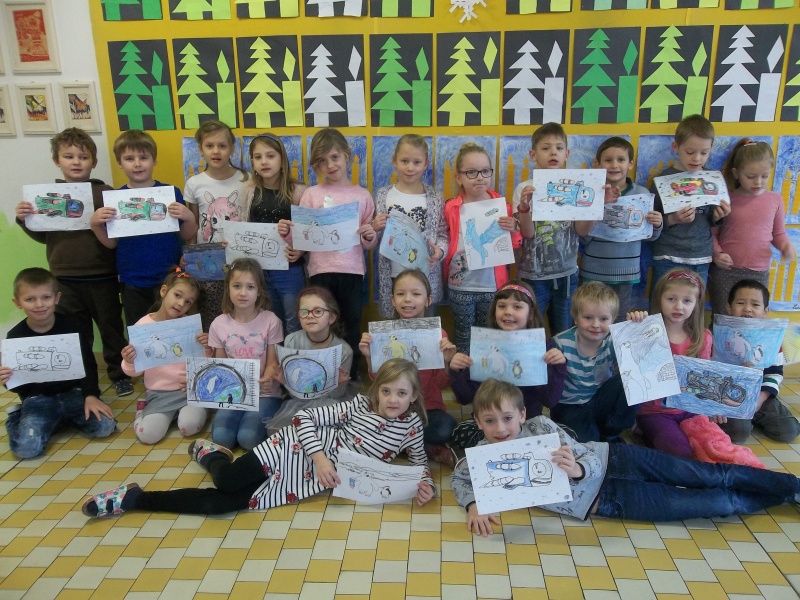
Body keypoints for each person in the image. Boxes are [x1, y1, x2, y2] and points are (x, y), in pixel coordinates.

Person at [81, 359, 435, 517]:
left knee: (219, 504)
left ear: (414, 397)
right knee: (228, 481)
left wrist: (426, 486)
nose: (392, 400)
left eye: (401, 393)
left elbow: (420, 464)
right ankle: (146, 492)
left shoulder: (412, 427)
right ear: (376, 390)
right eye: (386, 391)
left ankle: (145, 493)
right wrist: (320, 457)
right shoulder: (359, 406)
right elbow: (304, 418)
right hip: (292, 450)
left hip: (304, 480)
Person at [451, 379, 800, 536]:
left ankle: (792, 485)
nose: (500, 428)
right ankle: (784, 496)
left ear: (522, 414)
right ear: (477, 421)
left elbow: (577, 450)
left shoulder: (540, 427)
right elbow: (460, 477)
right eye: (490, 421)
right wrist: (473, 505)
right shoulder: (480, 458)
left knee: (712, 475)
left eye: (507, 418)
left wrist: (577, 468)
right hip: (608, 502)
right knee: (718, 503)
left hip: (617, 459)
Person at [14, 128, 132, 397]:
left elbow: (118, 232)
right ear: (57, 161)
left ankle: (119, 374)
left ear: (94, 161)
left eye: (83, 156)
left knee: (111, 329)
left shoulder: (105, 193)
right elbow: (43, 236)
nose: (76, 162)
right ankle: (83, 380)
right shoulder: (47, 196)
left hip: (103, 276)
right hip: (64, 280)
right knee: (76, 333)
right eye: (69, 156)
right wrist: (24, 220)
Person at [278, 128, 377, 379]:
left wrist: (369, 235)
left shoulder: (362, 195)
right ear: (316, 165)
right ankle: (320, 375)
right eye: (322, 161)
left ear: (347, 155)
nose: (330, 165)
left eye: (335, 157)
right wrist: (288, 233)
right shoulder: (312, 194)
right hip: (320, 271)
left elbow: (368, 242)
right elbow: (302, 237)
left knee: (351, 323)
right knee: (320, 324)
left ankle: (350, 377)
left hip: (352, 271)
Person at [1, 268, 115, 459]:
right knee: (26, 449)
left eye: (46, 297)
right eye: (30, 299)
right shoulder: (15, 337)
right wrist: (6, 380)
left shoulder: (72, 327)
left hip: (74, 394)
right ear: (18, 302)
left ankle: (59, 420)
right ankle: (16, 417)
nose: (39, 304)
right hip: (37, 399)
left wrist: (91, 396)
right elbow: (18, 384)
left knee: (105, 427)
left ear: (57, 298)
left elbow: (88, 365)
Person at [90, 130, 198, 326]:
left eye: (143, 157)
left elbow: (186, 234)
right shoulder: (115, 199)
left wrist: (189, 217)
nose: (137, 164)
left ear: (154, 160)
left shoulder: (171, 193)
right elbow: (112, 244)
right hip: (133, 280)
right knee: (139, 331)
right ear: (119, 163)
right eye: (129, 158)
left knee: (172, 328)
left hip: (170, 279)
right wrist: (95, 225)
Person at [448, 280, 566, 451]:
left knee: (564, 434)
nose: (508, 312)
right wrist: (456, 371)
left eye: (517, 307)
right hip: (492, 425)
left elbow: (550, 400)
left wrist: (557, 367)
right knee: (460, 432)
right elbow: (465, 397)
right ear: (494, 310)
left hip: (528, 422)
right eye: (502, 306)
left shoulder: (542, 349)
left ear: (531, 313)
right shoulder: (484, 346)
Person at [359, 269, 457, 465]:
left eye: (416, 294)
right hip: (392, 407)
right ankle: (423, 448)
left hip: (426, 409)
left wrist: (446, 362)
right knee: (365, 424)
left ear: (428, 300)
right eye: (401, 294)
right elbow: (378, 380)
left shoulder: (439, 335)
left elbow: (441, 384)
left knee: (446, 428)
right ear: (393, 300)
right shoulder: (383, 335)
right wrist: (370, 357)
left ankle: (397, 444)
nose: (407, 299)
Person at [514, 123, 601, 335]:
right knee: (530, 330)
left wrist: (595, 206)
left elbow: (582, 231)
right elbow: (528, 233)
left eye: (559, 148)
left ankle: (560, 359)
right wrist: (524, 207)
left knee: (563, 331)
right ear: (533, 154)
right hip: (534, 274)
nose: (553, 152)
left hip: (567, 274)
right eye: (546, 148)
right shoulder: (524, 188)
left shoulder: (576, 185)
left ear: (566, 154)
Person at [635, 269, 724, 459]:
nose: (678, 306)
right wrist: (635, 324)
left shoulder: (703, 338)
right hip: (655, 411)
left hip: (690, 411)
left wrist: (712, 407)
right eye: (671, 299)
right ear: (659, 299)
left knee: (713, 447)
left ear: (696, 304)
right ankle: (646, 432)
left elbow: (705, 379)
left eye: (687, 301)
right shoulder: (646, 332)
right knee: (680, 452)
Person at [444, 142, 522, 352]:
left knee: (489, 336)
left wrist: (514, 229)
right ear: (459, 177)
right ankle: (463, 371)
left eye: (485, 171)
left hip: (492, 286)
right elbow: (446, 238)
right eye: (471, 172)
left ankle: (484, 372)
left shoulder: (502, 206)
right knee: (463, 335)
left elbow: (514, 245)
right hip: (460, 284)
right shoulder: (451, 207)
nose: (480, 177)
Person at [709, 139, 796, 316]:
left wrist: (785, 245)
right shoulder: (726, 199)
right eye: (751, 176)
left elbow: (778, 233)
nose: (758, 182)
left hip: (759, 271)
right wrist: (717, 254)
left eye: (765, 176)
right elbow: (711, 233)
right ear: (736, 173)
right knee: (723, 317)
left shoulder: (775, 200)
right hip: (726, 270)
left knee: (753, 319)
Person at [121, 269, 208, 445]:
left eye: (188, 302)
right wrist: (129, 361)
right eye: (177, 295)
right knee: (148, 436)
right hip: (159, 394)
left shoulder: (189, 327)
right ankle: (142, 411)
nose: (181, 303)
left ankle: (182, 414)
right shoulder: (142, 327)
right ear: (163, 291)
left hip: (187, 390)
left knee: (189, 427)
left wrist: (207, 347)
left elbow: (202, 363)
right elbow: (134, 372)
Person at [580, 137, 663, 320]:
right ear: (597, 163)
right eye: (608, 160)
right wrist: (596, 208)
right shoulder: (589, 194)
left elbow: (649, 236)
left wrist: (657, 224)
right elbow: (582, 237)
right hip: (594, 270)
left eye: (621, 159)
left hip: (627, 272)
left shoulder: (641, 194)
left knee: (619, 321)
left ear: (631, 163)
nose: (614, 165)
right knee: (590, 318)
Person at [208, 258, 283, 450]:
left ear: (259, 291)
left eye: (250, 287)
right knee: (222, 438)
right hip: (234, 394)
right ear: (228, 289)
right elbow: (220, 365)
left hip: (265, 394)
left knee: (248, 438)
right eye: (237, 286)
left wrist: (268, 377)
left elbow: (272, 362)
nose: (243, 293)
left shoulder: (271, 320)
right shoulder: (218, 324)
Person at [649, 115, 731, 290]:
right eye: (690, 152)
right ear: (676, 147)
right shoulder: (663, 180)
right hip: (668, 255)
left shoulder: (712, 180)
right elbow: (650, 222)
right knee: (662, 303)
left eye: (704, 153)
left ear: (711, 148)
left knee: (694, 304)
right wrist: (674, 219)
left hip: (700, 256)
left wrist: (718, 216)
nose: (697, 159)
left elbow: (710, 219)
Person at [550, 281, 636, 443]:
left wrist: (636, 328)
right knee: (590, 444)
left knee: (632, 380)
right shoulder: (560, 343)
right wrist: (555, 363)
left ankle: (610, 432)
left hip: (600, 399)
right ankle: (599, 435)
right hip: (569, 406)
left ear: (613, 320)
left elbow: (639, 364)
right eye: (588, 318)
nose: (595, 325)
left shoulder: (613, 340)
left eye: (603, 319)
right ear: (575, 318)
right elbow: (549, 387)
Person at [372, 135, 448, 318]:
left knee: (427, 327)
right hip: (393, 277)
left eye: (417, 162)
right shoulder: (383, 195)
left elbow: (443, 234)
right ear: (395, 161)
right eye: (404, 161)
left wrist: (440, 252)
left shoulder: (435, 197)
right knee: (394, 328)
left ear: (425, 164)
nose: (410, 168)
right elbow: (376, 238)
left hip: (425, 279)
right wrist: (374, 227)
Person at [184, 121, 250, 330]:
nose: (216, 151)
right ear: (200, 149)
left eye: (222, 146)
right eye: (209, 146)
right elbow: (193, 225)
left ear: (232, 148)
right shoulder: (194, 184)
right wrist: (190, 256)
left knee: (241, 310)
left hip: (241, 259)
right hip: (208, 262)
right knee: (211, 314)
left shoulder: (246, 180)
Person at [719, 279, 800, 443]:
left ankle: (755, 416)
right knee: (739, 433)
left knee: (789, 430)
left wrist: (761, 398)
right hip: (730, 396)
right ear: (729, 307)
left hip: (760, 394)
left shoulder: (772, 339)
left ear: (765, 311)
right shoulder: (719, 335)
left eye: (755, 305)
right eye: (740, 303)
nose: (747, 309)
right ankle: (745, 421)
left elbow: (775, 374)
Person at [244, 133, 307, 334]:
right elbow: (242, 226)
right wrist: (233, 244)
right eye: (258, 157)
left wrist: (301, 250)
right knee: (269, 323)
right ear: (252, 162)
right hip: (259, 270)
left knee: (294, 321)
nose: (264, 162)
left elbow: (309, 232)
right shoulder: (248, 191)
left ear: (282, 160)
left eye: (270, 156)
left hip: (290, 269)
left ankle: (293, 354)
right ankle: (273, 355)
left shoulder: (299, 191)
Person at [268, 286, 353, 433]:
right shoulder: (291, 341)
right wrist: (286, 382)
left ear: (331, 317)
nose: (310, 316)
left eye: (318, 311)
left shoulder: (344, 351)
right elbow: (297, 395)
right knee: (280, 433)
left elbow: (337, 395)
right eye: (304, 311)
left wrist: (338, 384)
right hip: (300, 403)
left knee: (328, 433)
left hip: (330, 404)